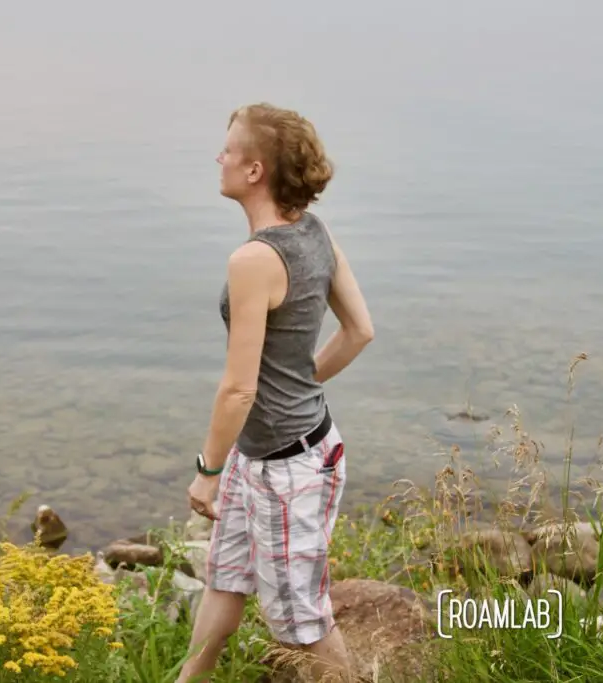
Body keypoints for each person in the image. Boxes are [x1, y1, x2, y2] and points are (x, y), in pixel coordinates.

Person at [178, 103, 375, 683]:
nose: (220, 157)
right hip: (280, 449)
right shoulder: (314, 232)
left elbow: (238, 389)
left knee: (301, 623)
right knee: (227, 577)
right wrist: (300, 384)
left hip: (287, 468)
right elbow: (360, 331)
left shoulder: (253, 260)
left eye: (229, 148)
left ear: (255, 169)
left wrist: (206, 469)